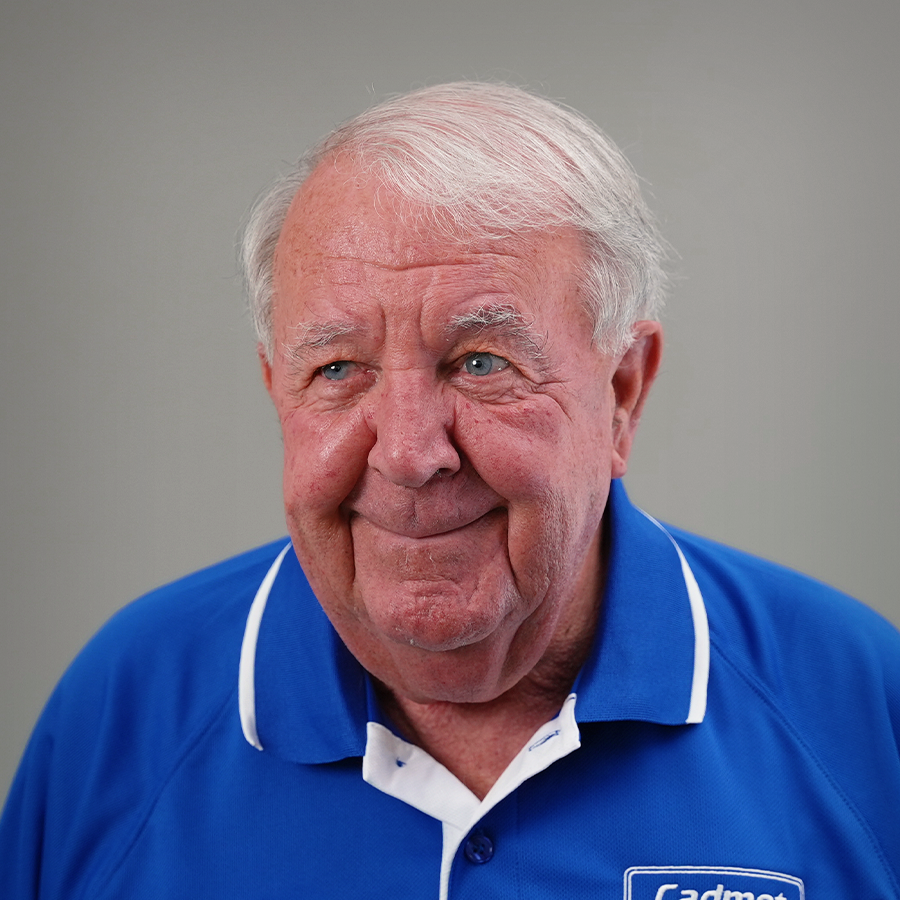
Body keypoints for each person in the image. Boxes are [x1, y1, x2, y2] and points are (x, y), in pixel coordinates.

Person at [1, 82, 898, 900]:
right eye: (338, 369)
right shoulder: (125, 711)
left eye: (480, 363)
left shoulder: (860, 710)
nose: (408, 454)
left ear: (622, 391)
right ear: (278, 391)